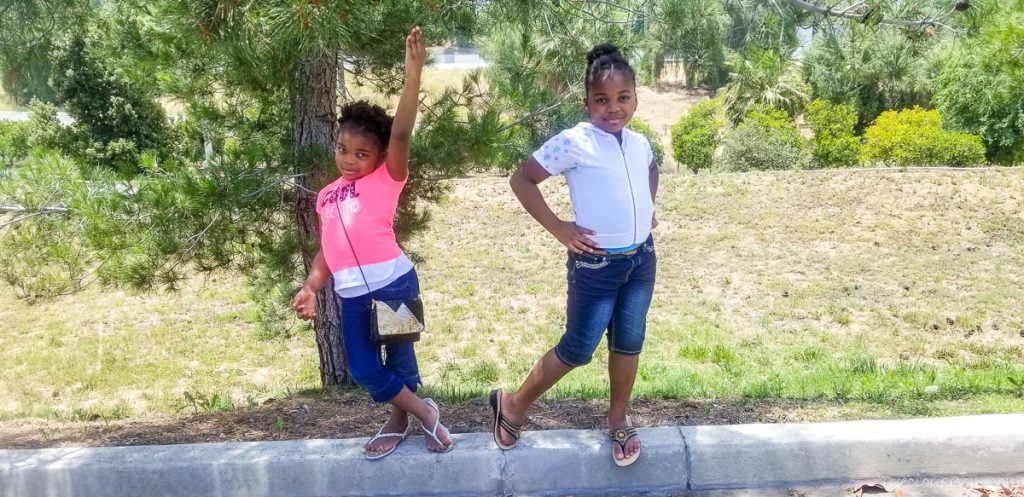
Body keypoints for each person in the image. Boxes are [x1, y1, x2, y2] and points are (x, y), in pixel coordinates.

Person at [491, 43, 658, 467]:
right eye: (602, 100)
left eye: (623, 98)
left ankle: (618, 418)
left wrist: (648, 210)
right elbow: (523, 179)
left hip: (641, 261)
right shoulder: (575, 142)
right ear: (587, 103)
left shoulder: (640, 144)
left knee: (629, 341)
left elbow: (651, 170)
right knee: (579, 347)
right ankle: (512, 404)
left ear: (636, 98)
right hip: (596, 265)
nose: (613, 108)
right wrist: (559, 228)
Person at [291, 26, 454, 460]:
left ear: (379, 157)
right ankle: (424, 412)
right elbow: (329, 249)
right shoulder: (326, 195)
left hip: (395, 284)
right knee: (363, 368)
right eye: (343, 148)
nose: (348, 158)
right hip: (351, 297)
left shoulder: (388, 178)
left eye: (361, 153)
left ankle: (400, 420)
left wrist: (413, 74)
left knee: (400, 362)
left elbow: (400, 133)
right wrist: (311, 285)